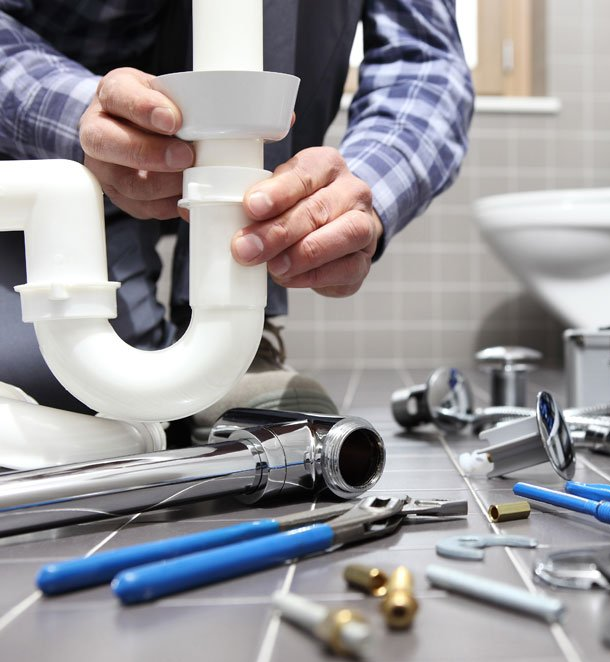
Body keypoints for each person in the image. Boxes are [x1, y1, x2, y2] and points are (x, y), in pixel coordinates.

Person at [0, 1, 474, 441]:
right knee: (50, 378)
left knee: (139, 402)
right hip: (38, 166)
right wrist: (81, 117)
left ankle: (236, 338)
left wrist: (353, 194)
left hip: (230, 179)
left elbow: (426, 60)